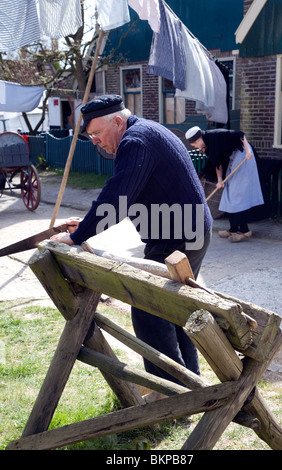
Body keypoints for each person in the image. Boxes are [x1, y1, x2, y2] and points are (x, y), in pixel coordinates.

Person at [51, 94, 213, 385]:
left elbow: (117, 198)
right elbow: (132, 194)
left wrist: (76, 237)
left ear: (117, 121)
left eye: (97, 133)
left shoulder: (135, 141)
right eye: (90, 137)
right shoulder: (146, 131)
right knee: (176, 311)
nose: (96, 141)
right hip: (186, 232)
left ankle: (171, 392)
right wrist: (86, 224)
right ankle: (191, 386)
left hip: (176, 238)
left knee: (149, 312)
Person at [185, 126, 264, 242]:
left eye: (194, 145)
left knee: (236, 194)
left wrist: (248, 151)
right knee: (228, 192)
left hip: (244, 156)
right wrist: (219, 180)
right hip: (234, 157)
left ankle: (244, 230)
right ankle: (233, 229)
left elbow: (240, 135)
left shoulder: (215, 135)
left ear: (197, 140)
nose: (195, 148)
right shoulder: (209, 143)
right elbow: (218, 163)